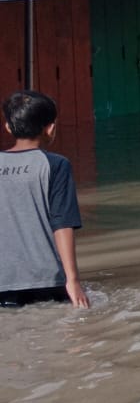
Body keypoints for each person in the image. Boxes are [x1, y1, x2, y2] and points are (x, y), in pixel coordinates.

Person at [0, 90, 88, 308]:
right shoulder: (57, 165)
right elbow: (62, 224)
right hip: (47, 279)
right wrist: (73, 280)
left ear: (8, 127)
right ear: (50, 128)